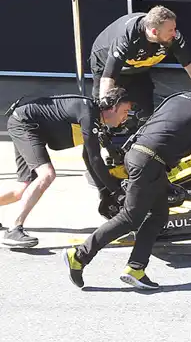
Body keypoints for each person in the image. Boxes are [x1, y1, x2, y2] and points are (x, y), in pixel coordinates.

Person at [62, 77, 191, 291]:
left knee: (158, 214)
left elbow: (165, 129)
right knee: (131, 217)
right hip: (150, 162)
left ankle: (135, 268)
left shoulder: (178, 97)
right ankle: (79, 255)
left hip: (140, 156)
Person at [0, 89, 133, 248]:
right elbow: (95, 159)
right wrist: (117, 193)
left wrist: (104, 191)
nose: (125, 117)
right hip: (25, 124)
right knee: (47, 175)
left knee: (22, 189)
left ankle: (14, 227)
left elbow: (88, 158)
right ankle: (13, 229)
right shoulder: (88, 113)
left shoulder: (95, 120)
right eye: (125, 111)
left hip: (29, 126)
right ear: (112, 108)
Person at [90, 6, 191, 119]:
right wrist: (107, 106)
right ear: (154, 32)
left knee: (145, 112)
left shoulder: (173, 37)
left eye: (175, 28)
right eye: (170, 30)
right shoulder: (127, 37)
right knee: (107, 110)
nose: (174, 33)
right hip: (106, 64)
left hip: (139, 66)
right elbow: (107, 79)